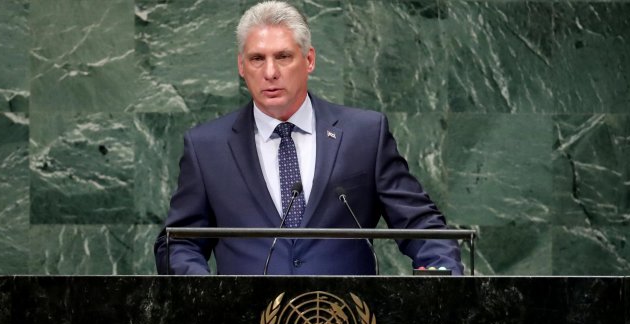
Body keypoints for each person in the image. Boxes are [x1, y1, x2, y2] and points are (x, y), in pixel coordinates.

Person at [154, 1, 463, 275]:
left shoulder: (364, 134)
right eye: (257, 59)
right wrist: (204, 295)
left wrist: (440, 276)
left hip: (348, 322)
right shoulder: (207, 147)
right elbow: (178, 243)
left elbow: (421, 225)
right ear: (241, 66)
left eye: (284, 56)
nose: (270, 72)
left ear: (309, 60)